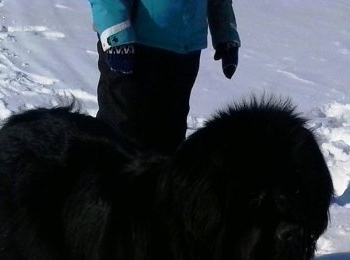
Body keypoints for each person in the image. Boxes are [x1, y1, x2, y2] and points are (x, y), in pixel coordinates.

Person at [88, 1, 240, 154]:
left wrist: (226, 34)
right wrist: (116, 36)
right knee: (121, 137)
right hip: (134, 47)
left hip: (184, 50)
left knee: (169, 140)